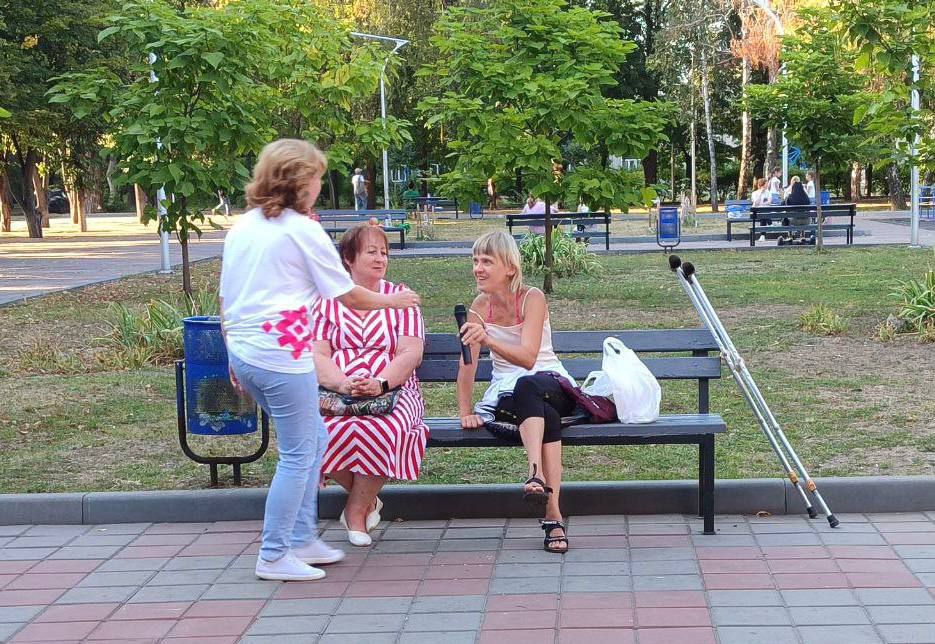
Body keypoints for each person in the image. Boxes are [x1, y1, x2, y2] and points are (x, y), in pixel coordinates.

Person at [220, 139, 420, 582]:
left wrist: (232, 354)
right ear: (298, 180)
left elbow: (225, 298)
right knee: (298, 454)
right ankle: (274, 554)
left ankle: (302, 538)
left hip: (248, 353)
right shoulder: (300, 230)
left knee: (315, 440)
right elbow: (348, 295)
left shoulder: (245, 225)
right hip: (281, 356)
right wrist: (397, 300)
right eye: (315, 177)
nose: (318, 185)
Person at [457, 231, 576, 554]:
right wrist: (465, 412)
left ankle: (535, 474)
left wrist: (488, 338)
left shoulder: (532, 298)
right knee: (541, 412)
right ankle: (553, 516)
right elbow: (467, 364)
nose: (478, 268)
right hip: (511, 394)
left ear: (509, 267)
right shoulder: (479, 307)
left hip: (550, 382)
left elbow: (528, 359)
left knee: (528, 384)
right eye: (475, 261)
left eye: (486, 261)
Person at [310, 224, 428, 547]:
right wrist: (342, 383)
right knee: (318, 432)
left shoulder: (401, 298)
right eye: (371, 252)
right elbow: (318, 354)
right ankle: (367, 500)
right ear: (349, 258)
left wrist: (380, 383)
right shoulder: (327, 301)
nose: (380, 259)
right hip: (337, 390)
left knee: (383, 429)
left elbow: (411, 352)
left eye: (384, 252)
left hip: (394, 391)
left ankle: (356, 511)